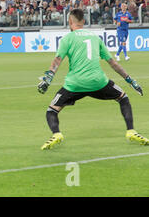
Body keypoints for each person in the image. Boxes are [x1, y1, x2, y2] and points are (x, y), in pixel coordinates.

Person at [37, 9, 146, 150]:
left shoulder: (67, 39)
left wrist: (48, 79)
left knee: (52, 110)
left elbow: (57, 60)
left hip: (74, 84)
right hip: (98, 82)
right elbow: (113, 63)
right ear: (84, 21)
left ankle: (56, 134)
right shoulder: (95, 38)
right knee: (123, 98)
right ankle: (131, 131)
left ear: (70, 22)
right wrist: (130, 80)